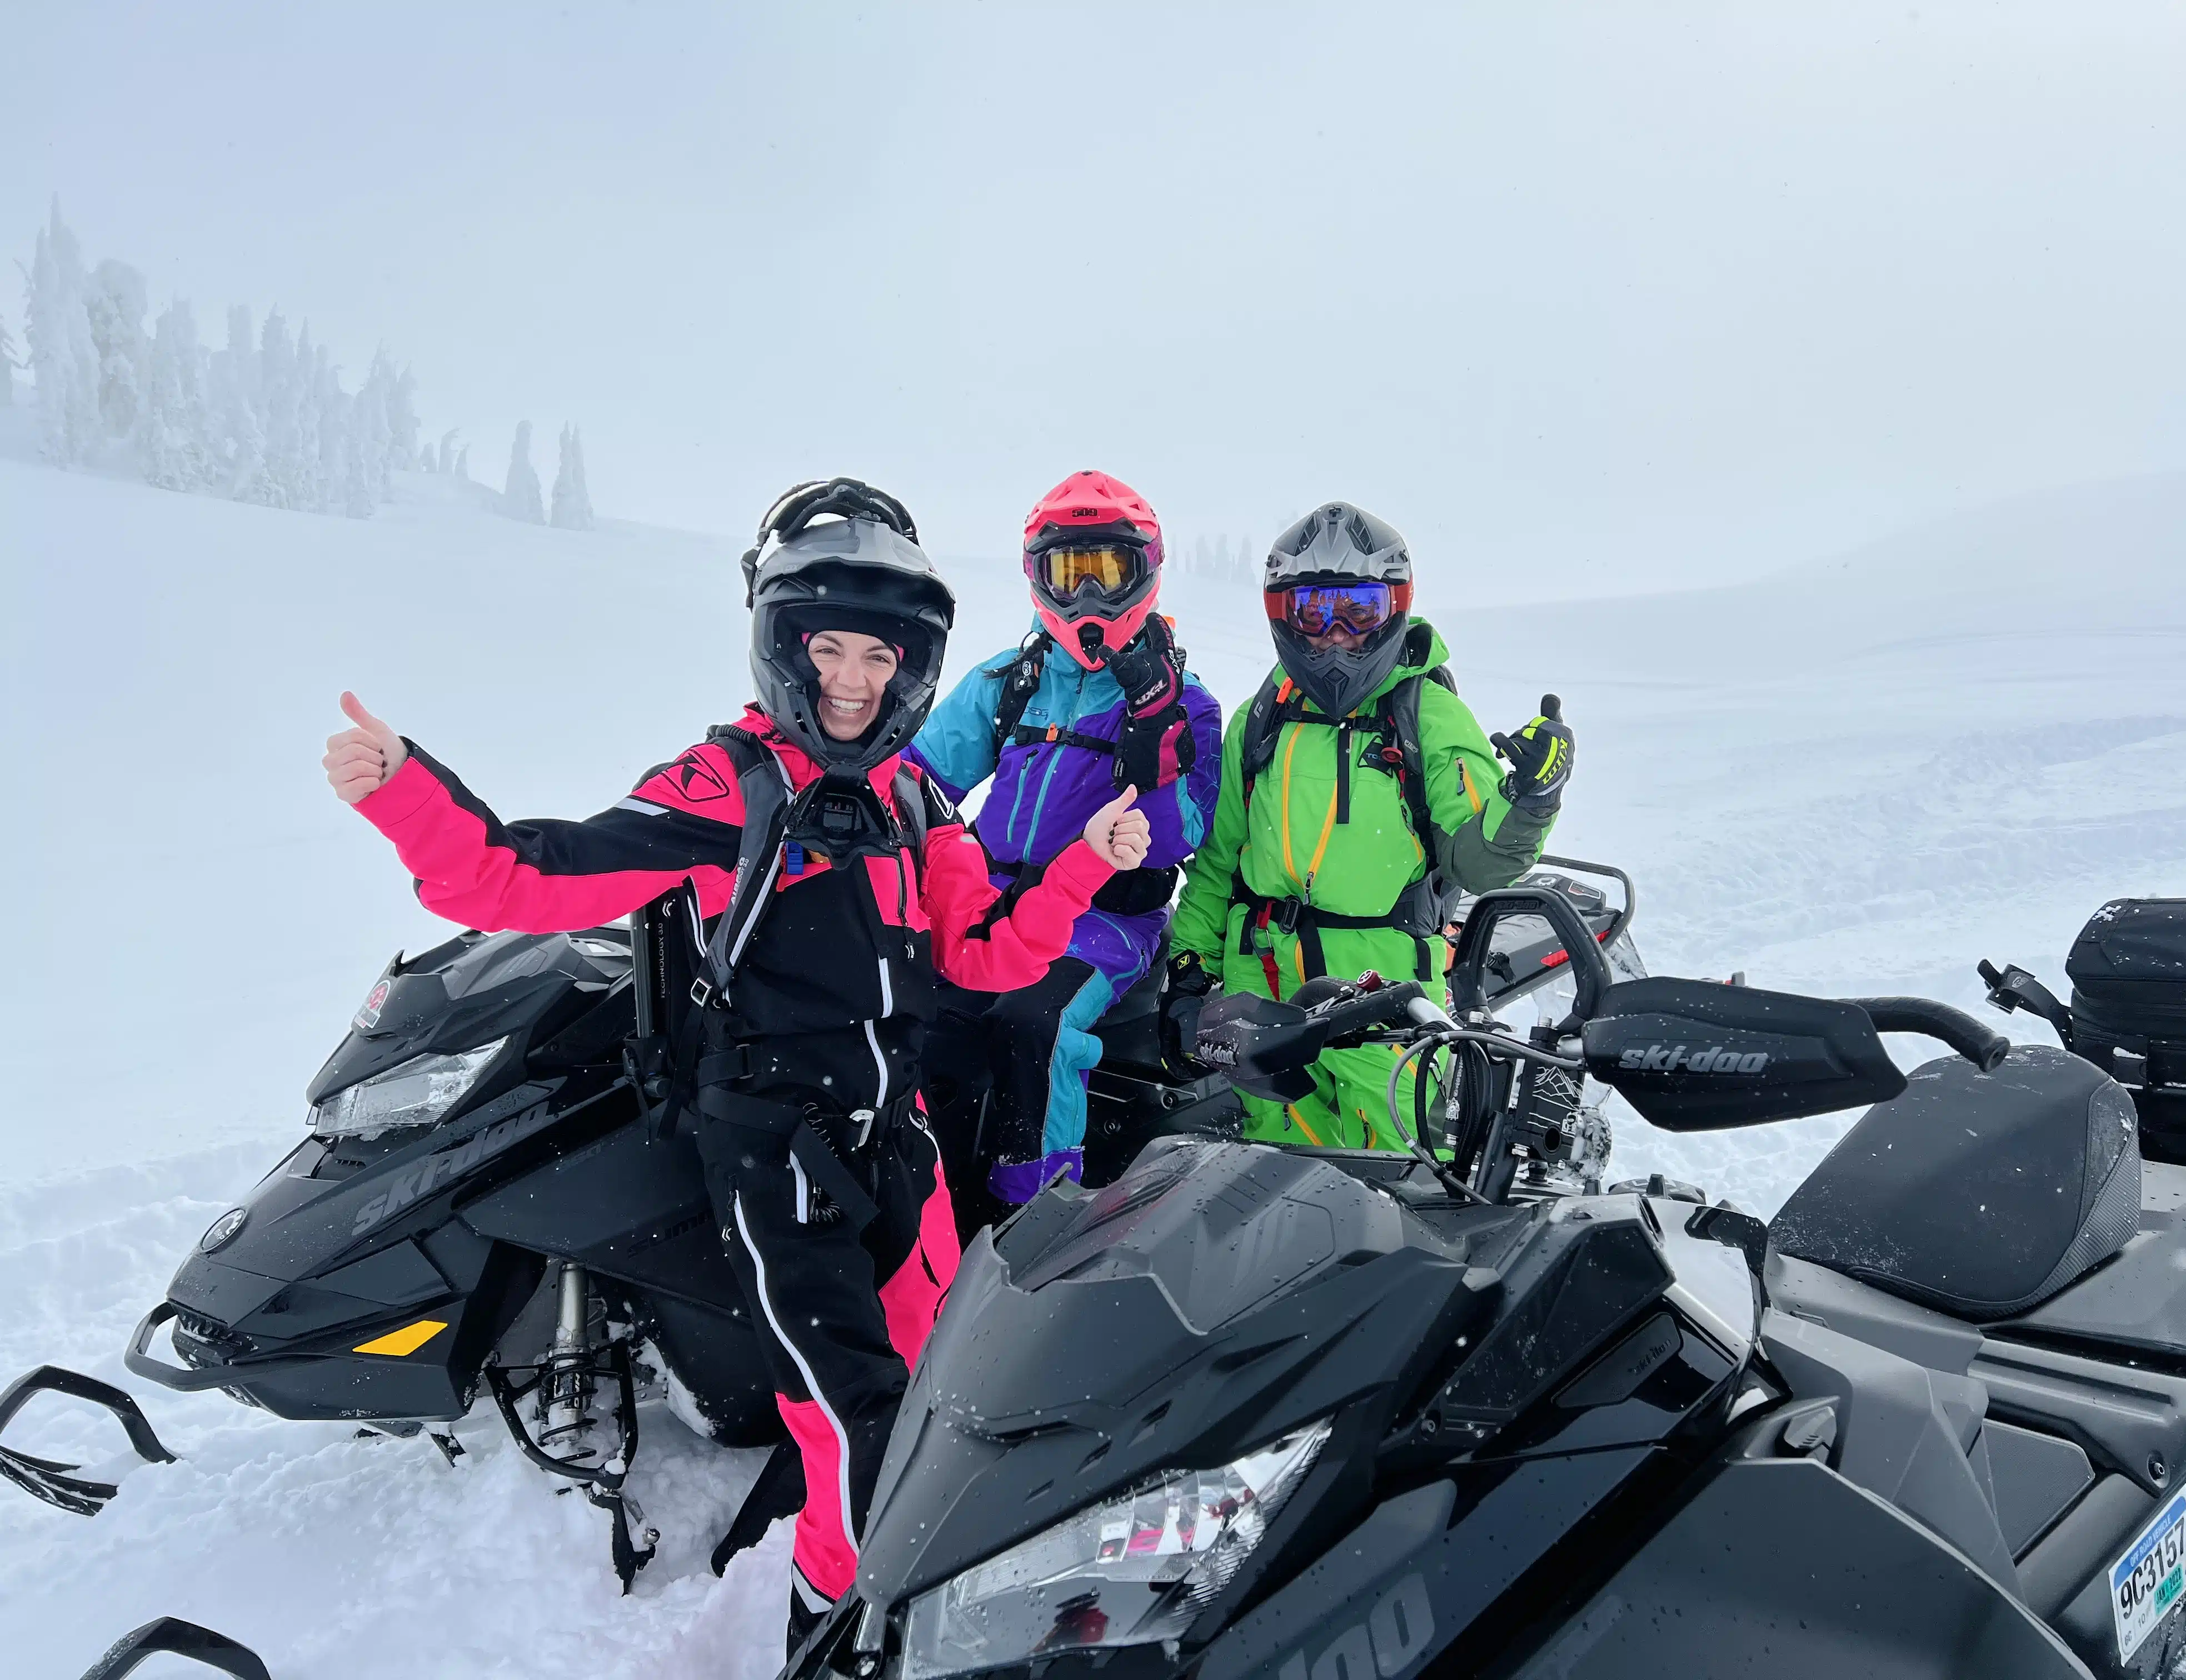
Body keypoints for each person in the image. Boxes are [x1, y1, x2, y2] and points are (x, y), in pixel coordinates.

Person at [321, 479, 1151, 1647]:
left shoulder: (916, 801)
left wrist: (1077, 872)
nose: (852, 680)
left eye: (878, 655)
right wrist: (411, 795)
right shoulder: (732, 786)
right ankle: (865, 1636)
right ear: (781, 648)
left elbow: (984, 961)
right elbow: (520, 877)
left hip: (894, 1140)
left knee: (951, 1392)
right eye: (827, 649)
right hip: (778, 1155)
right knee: (852, 1422)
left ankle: (848, 1597)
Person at [1164, 501, 1575, 1148]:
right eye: (1314, 612)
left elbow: (1480, 860)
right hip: (1261, 986)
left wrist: (1529, 801)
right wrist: (1188, 969)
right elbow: (1220, 861)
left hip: (1381, 991)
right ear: (1284, 616)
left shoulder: (1427, 716)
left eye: (1358, 612)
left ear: (1394, 608)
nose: (1335, 635)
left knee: (1401, 1168)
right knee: (1269, 1170)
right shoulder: (1261, 720)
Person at [906, 470, 1222, 1231]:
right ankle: (919, 1196)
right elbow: (916, 777)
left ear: (1143, 573)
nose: (1087, 599)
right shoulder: (1009, 682)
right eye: (1068, 573)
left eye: (1108, 572)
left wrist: (1157, 733)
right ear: (1036, 577)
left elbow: (1181, 832)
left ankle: (1036, 1216)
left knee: (1034, 1022)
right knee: (913, 1011)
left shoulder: (1188, 701)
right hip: (991, 901)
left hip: (1107, 919)